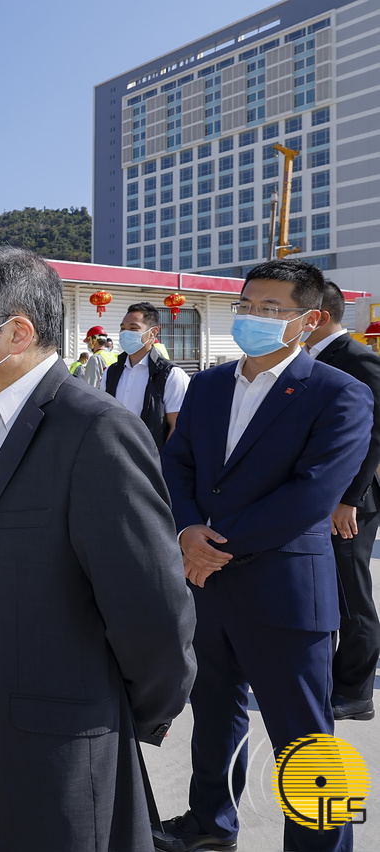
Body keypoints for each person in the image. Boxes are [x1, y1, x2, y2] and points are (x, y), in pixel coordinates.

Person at [0, 246, 196, 852]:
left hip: (61, 737)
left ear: (17, 332)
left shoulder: (93, 427)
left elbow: (153, 608)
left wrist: (122, 712)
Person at [157, 259, 370, 852]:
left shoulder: (339, 393)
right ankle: (210, 825)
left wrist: (211, 546)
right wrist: (187, 531)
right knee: (214, 715)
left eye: (271, 309)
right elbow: (177, 463)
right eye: (247, 306)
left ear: (310, 320)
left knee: (305, 740)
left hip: (283, 592)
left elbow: (311, 496)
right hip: (206, 587)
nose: (253, 317)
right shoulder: (207, 386)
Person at [305, 281, 380, 723]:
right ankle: (329, 679)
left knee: (352, 597)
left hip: (349, 502)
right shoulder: (308, 358)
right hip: (319, 497)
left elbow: (375, 433)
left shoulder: (357, 358)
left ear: (319, 315)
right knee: (327, 592)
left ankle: (355, 692)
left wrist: (349, 499)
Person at [102, 302, 190, 450]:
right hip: (114, 455)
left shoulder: (171, 375)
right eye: (122, 328)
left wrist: (162, 460)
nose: (125, 333)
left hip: (151, 459)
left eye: (133, 328)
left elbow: (178, 426)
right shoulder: (111, 373)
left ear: (153, 332)